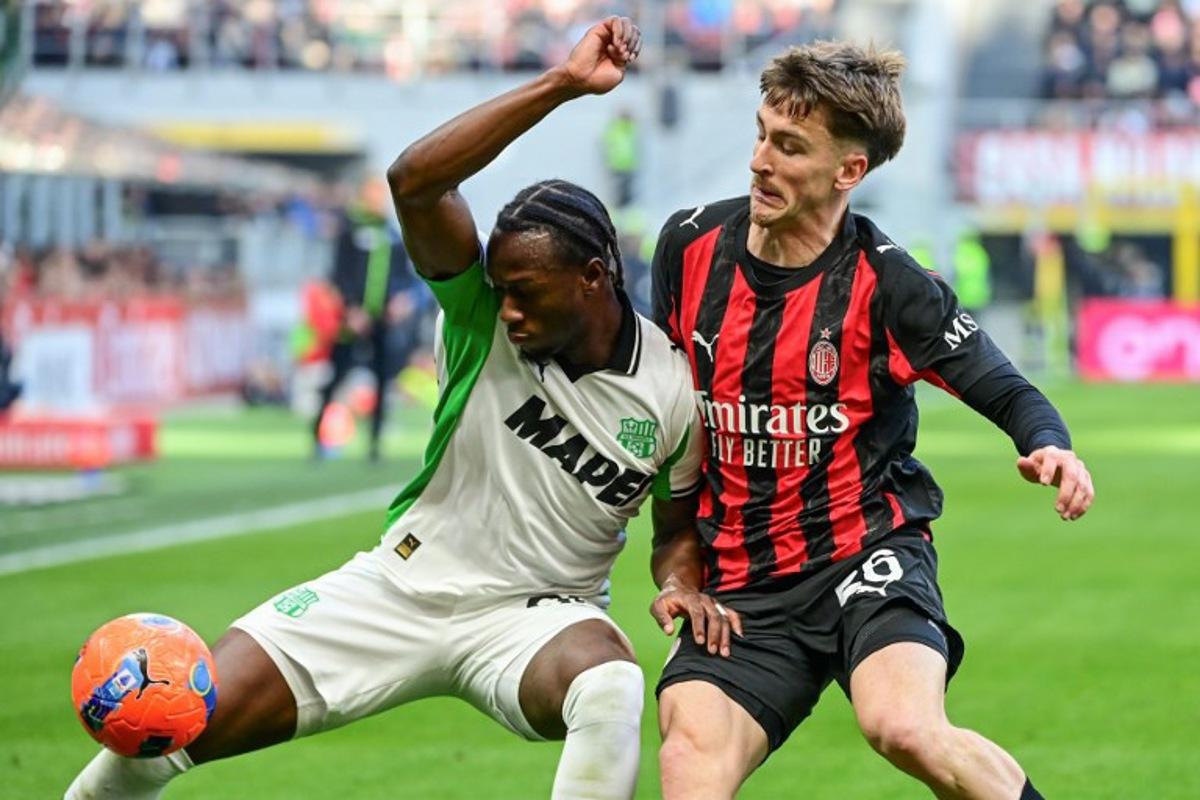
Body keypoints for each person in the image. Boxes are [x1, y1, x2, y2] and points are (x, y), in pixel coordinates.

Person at [65, 17, 737, 800]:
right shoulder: (479, 316)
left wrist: (681, 579)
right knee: (183, 717)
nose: (507, 310)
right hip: (398, 586)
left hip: (535, 619)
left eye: (526, 292)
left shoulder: (674, 392)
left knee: (612, 685)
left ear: (593, 276)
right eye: (501, 291)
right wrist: (560, 84)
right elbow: (415, 181)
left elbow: (675, 530)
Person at [646, 41, 1095, 800]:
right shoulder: (687, 246)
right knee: (689, 756)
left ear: (848, 171)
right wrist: (673, 557)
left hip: (867, 556)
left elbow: (1007, 388)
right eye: (761, 134)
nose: (759, 160)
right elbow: (669, 422)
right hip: (743, 584)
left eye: (789, 147)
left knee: (905, 726)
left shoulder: (890, 284)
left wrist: (1052, 446)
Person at [311, 177, 425, 461]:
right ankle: (316, 438)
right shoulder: (351, 230)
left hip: (382, 321)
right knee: (336, 376)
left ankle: (375, 444)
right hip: (352, 321)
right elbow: (338, 273)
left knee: (382, 379)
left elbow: (405, 275)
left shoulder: (391, 232)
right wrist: (351, 309)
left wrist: (399, 300)